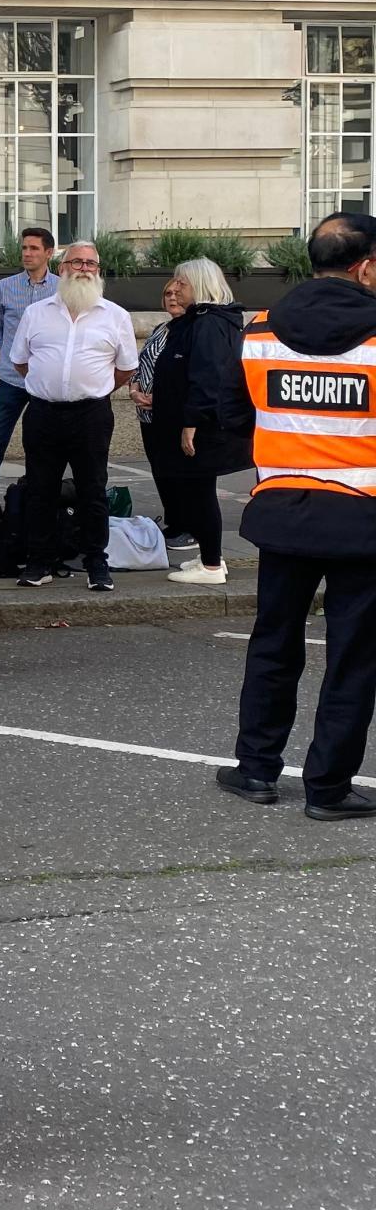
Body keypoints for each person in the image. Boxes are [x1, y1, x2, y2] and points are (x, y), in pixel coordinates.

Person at [217, 211, 376, 821]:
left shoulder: (258, 331)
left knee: (274, 644)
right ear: (364, 267)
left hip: (282, 513)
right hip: (363, 522)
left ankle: (256, 770)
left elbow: (233, 417)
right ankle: (328, 787)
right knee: (352, 656)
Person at [10, 240, 138, 592]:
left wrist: (91, 388)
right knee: (40, 489)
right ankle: (39, 562)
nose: (83, 268)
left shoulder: (116, 316)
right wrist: (51, 385)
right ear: (62, 268)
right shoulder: (36, 313)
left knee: (92, 490)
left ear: (98, 271)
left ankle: (97, 562)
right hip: (43, 413)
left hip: (91, 414)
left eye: (90, 264)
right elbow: (21, 362)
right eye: (76, 262)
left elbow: (126, 369)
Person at [150, 258, 253, 586]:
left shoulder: (208, 323)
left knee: (199, 491)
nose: (174, 287)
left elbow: (208, 376)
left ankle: (210, 564)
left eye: (182, 282)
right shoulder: (201, 321)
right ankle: (211, 557)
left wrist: (191, 422)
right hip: (195, 418)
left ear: (201, 284)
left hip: (203, 423)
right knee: (196, 490)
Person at [0, 227, 59, 488]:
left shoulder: (61, 289)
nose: (27, 253)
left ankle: (37, 502)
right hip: (11, 380)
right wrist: (10, 357)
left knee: (42, 445)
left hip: (45, 384)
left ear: (49, 253)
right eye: (24, 248)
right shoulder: (5, 287)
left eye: (34, 248)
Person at [129, 279, 196, 550]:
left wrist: (164, 398)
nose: (172, 298)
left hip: (174, 415)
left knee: (181, 474)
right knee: (161, 471)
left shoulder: (193, 331)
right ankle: (174, 523)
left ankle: (190, 527)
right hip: (148, 415)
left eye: (178, 294)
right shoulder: (161, 329)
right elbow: (140, 362)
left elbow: (190, 375)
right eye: (167, 293)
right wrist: (134, 388)